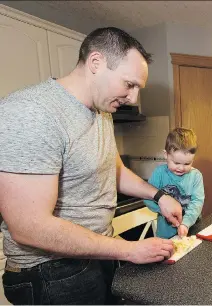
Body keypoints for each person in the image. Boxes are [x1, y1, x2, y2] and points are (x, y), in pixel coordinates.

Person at [0, 27, 183, 305]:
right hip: (50, 273)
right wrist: (128, 250)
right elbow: (28, 226)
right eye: (129, 84)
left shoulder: (101, 111)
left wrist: (159, 196)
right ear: (96, 63)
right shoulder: (32, 112)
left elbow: (113, 170)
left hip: (95, 257)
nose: (133, 98)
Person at [144, 128, 205, 239]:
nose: (181, 168)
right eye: (176, 163)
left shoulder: (196, 176)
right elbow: (147, 197)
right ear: (166, 155)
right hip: (165, 234)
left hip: (192, 228)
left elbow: (197, 202)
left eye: (187, 163)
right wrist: (162, 210)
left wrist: (185, 223)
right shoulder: (159, 173)